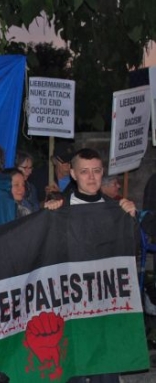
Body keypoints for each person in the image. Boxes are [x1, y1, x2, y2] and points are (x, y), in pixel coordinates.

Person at [44, 148, 136, 383]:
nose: (92, 177)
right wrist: (47, 217)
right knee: (73, 363)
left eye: (96, 171)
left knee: (105, 366)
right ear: (73, 174)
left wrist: (130, 219)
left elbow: (129, 251)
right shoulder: (61, 210)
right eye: (85, 172)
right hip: (71, 302)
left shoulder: (116, 210)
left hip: (105, 302)